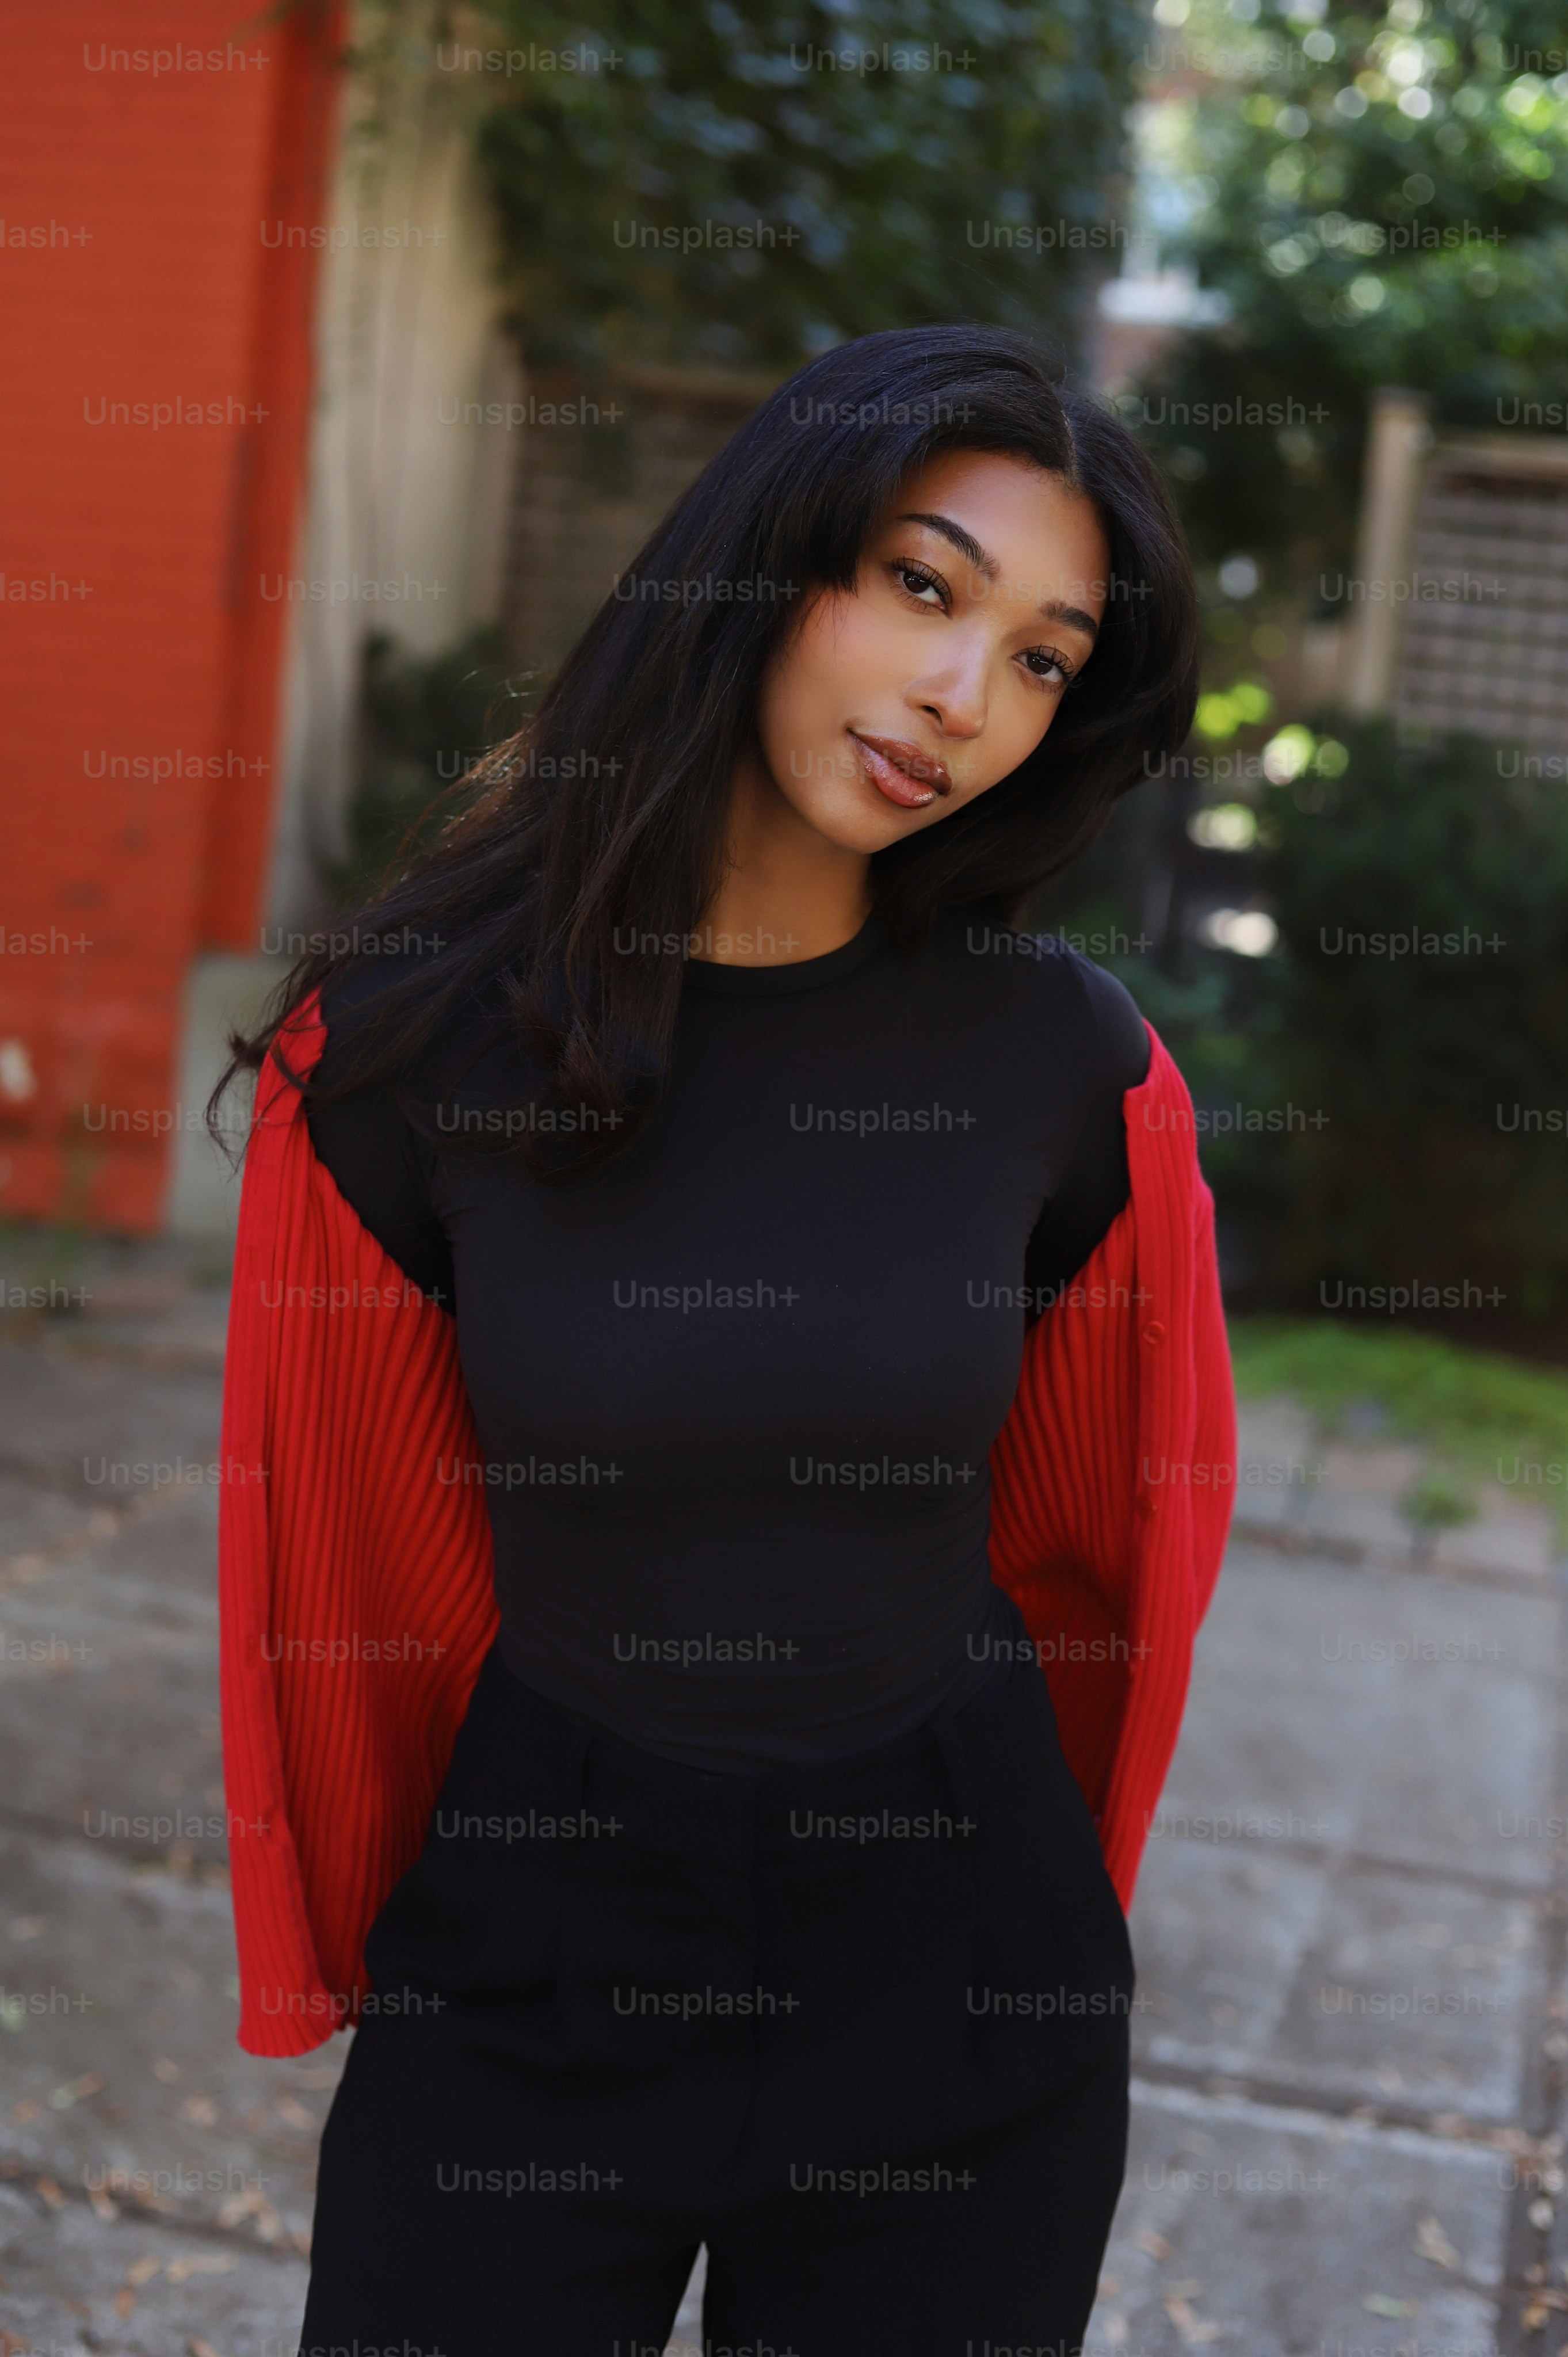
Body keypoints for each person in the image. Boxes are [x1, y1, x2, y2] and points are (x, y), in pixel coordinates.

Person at [213, 323, 1235, 2357]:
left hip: (956, 1969)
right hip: (539, 1954)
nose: (964, 699)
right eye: (923, 586)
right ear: (766, 558)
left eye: (1043, 659)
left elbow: (1109, 1555)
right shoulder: (407, 1055)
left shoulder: (1073, 1074)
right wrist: (368, 1920)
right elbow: (352, 1571)